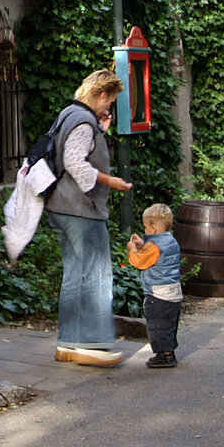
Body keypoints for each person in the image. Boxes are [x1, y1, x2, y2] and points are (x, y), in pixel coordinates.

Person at [44, 68, 133, 367]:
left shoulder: (69, 114)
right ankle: (91, 344)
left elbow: (75, 150)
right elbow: (74, 162)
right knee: (96, 276)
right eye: (110, 102)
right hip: (80, 209)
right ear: (101, 94)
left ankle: (68, 344)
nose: (110, 108)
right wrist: (110, 181)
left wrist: (101, 131)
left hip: (60, 207)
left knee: (74, 274)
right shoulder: (83, 121)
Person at [127, 203, 183, 368]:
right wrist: (143, 245)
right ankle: (169, 351)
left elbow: (140, 262)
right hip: (173, 291)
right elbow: (157, 255)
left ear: (154, 228)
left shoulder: (154, 246)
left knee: (157, 325)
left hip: (158, 292)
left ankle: (164, 355)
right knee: (169, 324)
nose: (144, 231)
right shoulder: (171, 240)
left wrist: (132, 250)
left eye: (145, 228)